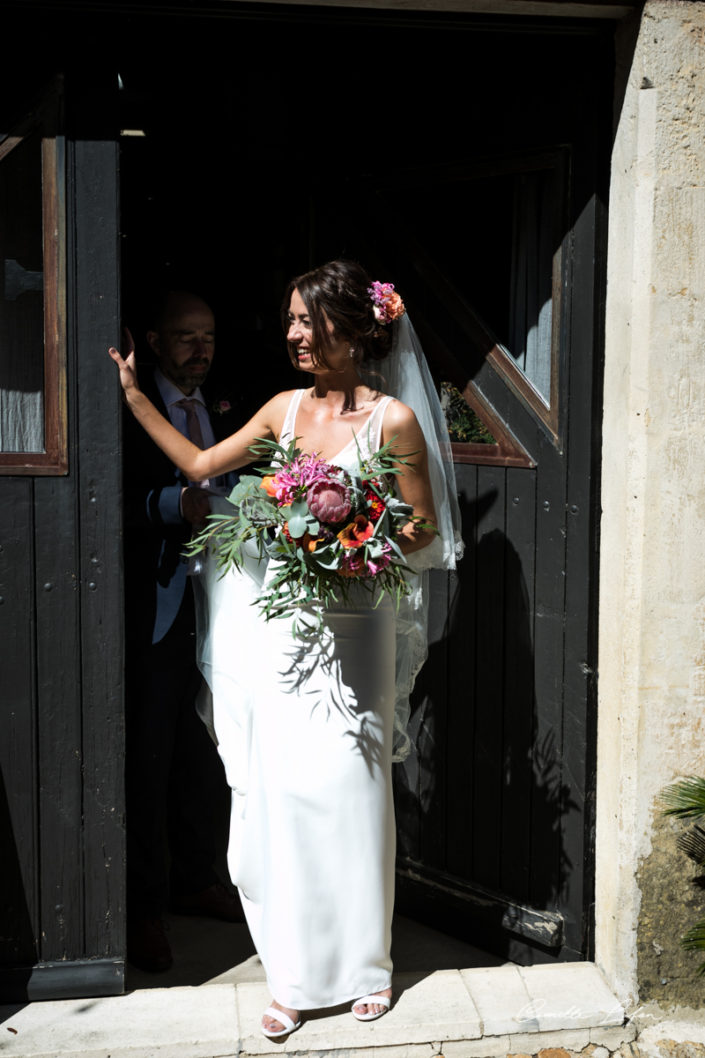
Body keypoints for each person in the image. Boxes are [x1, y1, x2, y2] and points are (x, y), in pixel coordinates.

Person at [109, 261, 462, 1033]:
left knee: (349, 782)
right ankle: (293, 973)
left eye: (308, 320)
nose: (294, 334)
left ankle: (367, 963)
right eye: (291, 321)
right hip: (283, 623)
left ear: (352, 326)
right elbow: (202, 466)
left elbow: (426, 529)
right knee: (279, 789)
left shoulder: (393, 421)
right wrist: (135, 396)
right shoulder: (280, 408)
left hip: (359, 619)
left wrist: (358, 531)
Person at [121, 290, 244, 973]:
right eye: (185, 336)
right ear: (157, 342)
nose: (200, 348)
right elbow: (96, 493)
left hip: (226, 604)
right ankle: (141, 908)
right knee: (149, 756)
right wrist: (173, 503)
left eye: (208, 336)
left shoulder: (228, 403)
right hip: (158, 608)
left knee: (208, 750)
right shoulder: (123, 409)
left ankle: (198, 880)